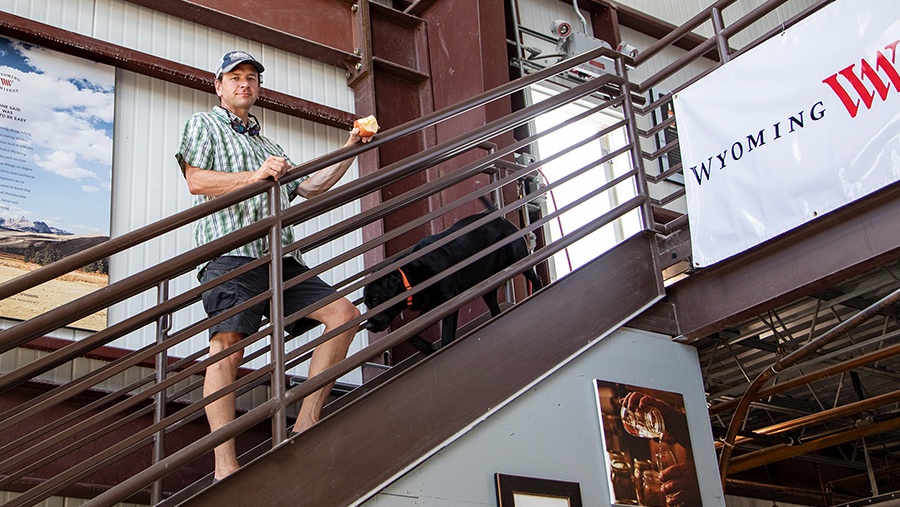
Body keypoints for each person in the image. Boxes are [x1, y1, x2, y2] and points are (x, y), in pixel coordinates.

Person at [175, 50, 372, 481]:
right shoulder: (202, 124)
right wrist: (255, 177)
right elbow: (196, 181)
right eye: (235, 77)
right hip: (230, 252)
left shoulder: (271, 146)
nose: (244, 84)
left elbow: (312, 187)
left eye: (251, 78)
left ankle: (306, 422)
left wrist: (351, 146)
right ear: (219, 85)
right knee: (228, 346)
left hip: (280, 258)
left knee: (344, 314)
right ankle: (225, 465)